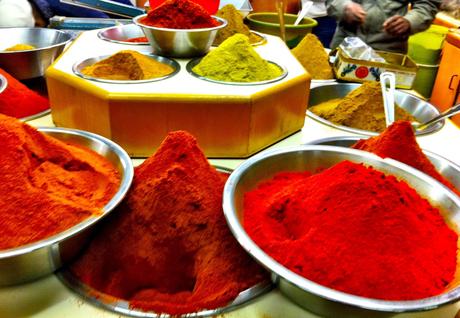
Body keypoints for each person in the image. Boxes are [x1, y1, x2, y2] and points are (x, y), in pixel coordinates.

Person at [326, 0, 442, 53]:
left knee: (381, 98)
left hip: (388, 52)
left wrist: (410, 21)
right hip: (345, 45)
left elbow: (428, 4)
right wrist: (343, 6)